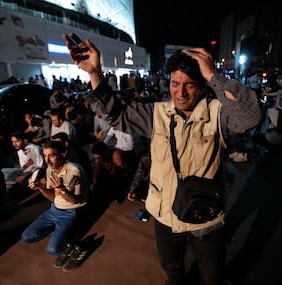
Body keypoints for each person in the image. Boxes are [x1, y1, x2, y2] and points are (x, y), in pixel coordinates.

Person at [63, 33, 261, 285]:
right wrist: (94, 74)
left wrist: (213, 76)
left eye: (189, 84)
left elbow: (250, 117)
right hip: (164, 214)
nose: (180, 92)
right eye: (175, 83)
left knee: (212, 276)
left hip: (205, 217)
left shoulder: (218, 114)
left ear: (202, 86)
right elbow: (116, 115)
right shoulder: (156, 114)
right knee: (172, 269)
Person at [21, 140, 89, 262]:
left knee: (53, 250)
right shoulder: (50, 169)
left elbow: (74, 200)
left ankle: (70, 238)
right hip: (54, 209)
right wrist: (40, 187)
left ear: (63, 154)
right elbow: (53, 198)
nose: (47, 160)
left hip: (71, 212)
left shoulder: (74, 172)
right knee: (27, 236)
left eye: (51, 156)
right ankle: (63, 233)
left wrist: (61, 189)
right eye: (45, 156)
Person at [1, 131, 45, 196]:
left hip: (36, 174)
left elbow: (41, 168)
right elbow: (24, 167)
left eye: (17, 141)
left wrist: (25, 176)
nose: (14, 144)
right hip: (26, 172)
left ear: (25, 140)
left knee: (15, 189)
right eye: (13, 142)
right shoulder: (19, 151)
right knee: (2, 171)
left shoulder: (35, 149)